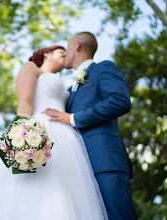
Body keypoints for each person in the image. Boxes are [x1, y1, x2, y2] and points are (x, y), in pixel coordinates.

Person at [0, 45, 108, 219]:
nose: (66, 56)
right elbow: (25, 101)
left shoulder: (65, 83)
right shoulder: (31, 68)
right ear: (47, 54)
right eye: (62, 53)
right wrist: (22, 135)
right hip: (38, 130)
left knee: (63, 192)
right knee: (28, 190)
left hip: (67, 140)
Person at [43, 32, 137, 219]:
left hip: (105, 161)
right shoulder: (69, 91)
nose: (65, 53)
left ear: (77, 46)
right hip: (77, 168)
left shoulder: (103, 68)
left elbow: (120, 101)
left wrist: (72, 118)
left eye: (67, 47)